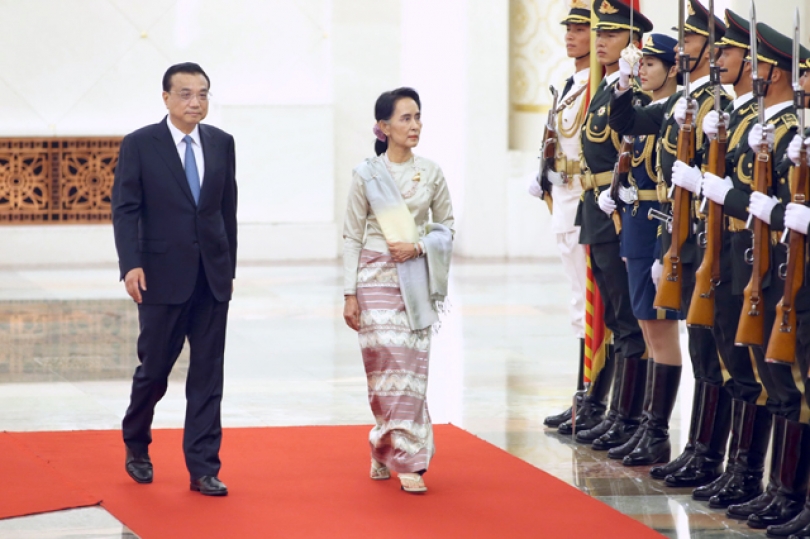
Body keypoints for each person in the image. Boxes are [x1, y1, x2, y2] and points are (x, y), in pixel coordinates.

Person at [608, 0, 731, 476]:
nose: (684, 47)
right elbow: (628, 122)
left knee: (710, 348)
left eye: (693, 41)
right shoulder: (680, 102)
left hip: (695, 232)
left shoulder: (710, 105)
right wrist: (622, 85)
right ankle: (673, 438)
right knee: (677, 337)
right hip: (666, 227)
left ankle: (700, 450)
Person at [112, 62, 237, 497]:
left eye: (202, 94)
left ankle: (203, 468)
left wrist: (229, 269)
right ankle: (136, 442)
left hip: (211, 279)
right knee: (155, 370)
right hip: (160, 277)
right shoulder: (141, 144)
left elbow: (226, 212)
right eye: (185, 94)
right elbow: (125, 209)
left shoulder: (222, 143)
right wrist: (130, 264)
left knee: (208, 375)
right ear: (165, 97)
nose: (195, 102)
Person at [700, 23, 806, 529]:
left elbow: (779, 203)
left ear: (777, 72)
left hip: (780, 258)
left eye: (759, 64)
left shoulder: (792, 134)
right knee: (767, 372)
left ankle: (791, 494)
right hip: (751, 251)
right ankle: (772, 486)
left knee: (792, 379)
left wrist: (740, 199)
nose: (750, 71)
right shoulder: (762, 126)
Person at [342, 87, 454, 494]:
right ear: (384, 127)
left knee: (411, 373)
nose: (415, 125)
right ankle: (385, 444)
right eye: (405, 118)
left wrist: (419, 246)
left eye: (418, 117)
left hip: (415, 280)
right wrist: (348, 293)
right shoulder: (367, 174)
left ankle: (406, 459)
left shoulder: (432, 172)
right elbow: (352, 236)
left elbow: (447, 228)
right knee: (384, 372)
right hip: (373, 281)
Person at [689, 9, 769, 509]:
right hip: (723, 243)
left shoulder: (769, 125)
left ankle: (760, 479)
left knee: (765, 371)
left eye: (728, 52)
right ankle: (734, 468)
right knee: (728, 355)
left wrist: (730, 198)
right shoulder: (738, 115)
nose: (718, 59)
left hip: (753, 248)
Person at [598, 33, 680, 457]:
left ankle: (657, 432)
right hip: (635, 224)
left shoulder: (676, 111)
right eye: (641, 63)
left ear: (673, 68)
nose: (644, 69)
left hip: (657, 227)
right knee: (645, 327)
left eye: (651, 63)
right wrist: (624, 85)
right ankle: (647, 425)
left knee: (660, 329)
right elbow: (622, 121)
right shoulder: (648, 110)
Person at [528, 0, 591, 431]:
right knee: (576, 299)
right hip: (565, 200)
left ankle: (592, 399)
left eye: (581, 29)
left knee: (587, 303)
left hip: (584, 204)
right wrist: (545, 173)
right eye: (568, 28)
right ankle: (584, 397)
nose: (570, 35)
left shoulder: (594, 85)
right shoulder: (572, 83)